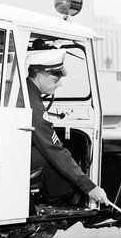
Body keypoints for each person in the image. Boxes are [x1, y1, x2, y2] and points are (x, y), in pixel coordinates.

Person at [26, 49, 110, 206]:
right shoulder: (35, 107)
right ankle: (60, 201)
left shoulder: (22, 92)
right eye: (55, 79)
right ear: (39, 77)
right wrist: (89, 187)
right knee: (54, 154)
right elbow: (54, 150)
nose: (59, 83)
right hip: (15, 160)